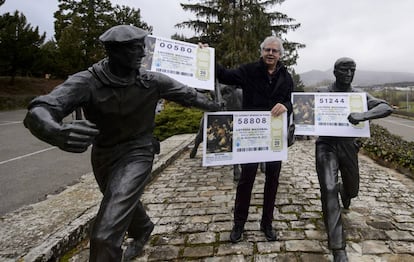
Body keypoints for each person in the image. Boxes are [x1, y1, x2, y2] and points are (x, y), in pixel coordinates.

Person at [23, 25, 220, 262]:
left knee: (105, 235)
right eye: (134, 49)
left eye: (142, 47)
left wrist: (219, 107)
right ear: (113, 52)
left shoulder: (152, 81)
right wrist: (55, 130)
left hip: (139, 152)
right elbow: (40, 109)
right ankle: (143, 227)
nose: (142, 53)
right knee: (117, 197)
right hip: (104, 155)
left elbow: (190, 96)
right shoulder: (87, 81)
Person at [213, 36, 294, 242]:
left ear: (280, 55)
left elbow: (291, 100)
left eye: (274, 51)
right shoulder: (248, 70)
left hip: (275, 134)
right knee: (246, 179)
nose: (270, 53)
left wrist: (286, 105)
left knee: (272, 180)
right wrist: (207, 56)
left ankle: (267, 223)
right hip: (251, 135)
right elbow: (224, 75)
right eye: (267, 49)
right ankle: (239, 224)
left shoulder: (286, 76)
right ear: (262, 51)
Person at [315, 57, 393, 262]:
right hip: (327, 145)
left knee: (353, 190)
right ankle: (338, 248)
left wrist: (363, 115)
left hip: (349, 146)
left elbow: (386, 107)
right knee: (328, 189)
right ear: (335, 72)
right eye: (344, 70)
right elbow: (303, 112)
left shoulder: (359, 95)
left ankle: (345, 191)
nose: (349, 74)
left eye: (352, 70)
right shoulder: (322, 92)